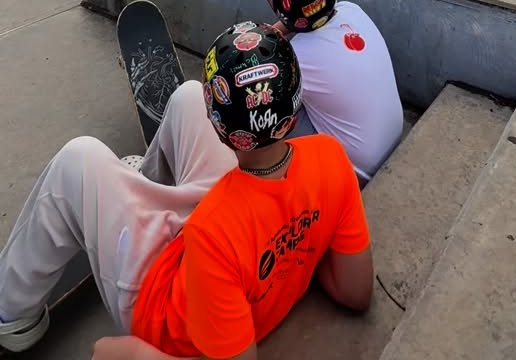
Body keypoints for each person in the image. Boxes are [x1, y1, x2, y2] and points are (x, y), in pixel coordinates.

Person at [0, 24, 372, 357]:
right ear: (296, 103)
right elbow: (357, 293)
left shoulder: (210, 233)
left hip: (158, 303)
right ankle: (143, 186)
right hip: (222, 226)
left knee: (77, 160)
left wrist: (135, 356)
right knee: (188, 95)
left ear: (220, 127)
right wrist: (300, 246)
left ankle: (10, 315)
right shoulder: (331, 157)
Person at [264, 0, 404, 184]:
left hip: (357, 172)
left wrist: (271, 33)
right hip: (393, 139)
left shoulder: (295, 59)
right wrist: (282, 27)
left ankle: (281, 185)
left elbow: (265, 65)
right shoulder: (351, 10)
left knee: (269, 110)